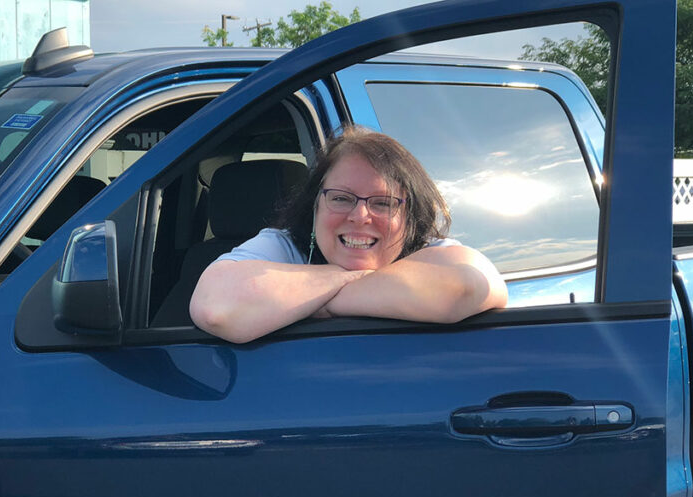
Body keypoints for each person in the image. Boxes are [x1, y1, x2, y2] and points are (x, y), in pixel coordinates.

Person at [189, 126, 508, 343]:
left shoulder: (430, 251)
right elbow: (215, 307)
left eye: (383, 203)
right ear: (315, 205)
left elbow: (471, 286)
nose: (359, 216)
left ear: (410, 217)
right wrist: (345, 279)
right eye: (341, 198)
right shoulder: (283, 245)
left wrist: (316, 303)